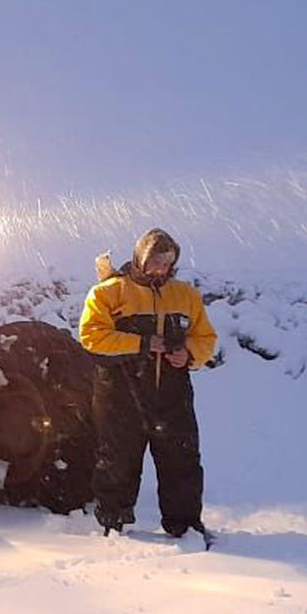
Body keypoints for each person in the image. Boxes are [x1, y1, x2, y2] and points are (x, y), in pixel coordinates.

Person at [78, 228, 217, 540]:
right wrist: (142, 343)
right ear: (140, 259)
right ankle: (112, 524)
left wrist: (189, 354)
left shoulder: (186, 296)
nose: (160, 269)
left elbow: (206, 337)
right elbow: (91, 336)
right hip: (119, 393)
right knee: (117, 460)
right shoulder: (108, 293)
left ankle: (185, 525)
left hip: (172, 394)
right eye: (154, 261)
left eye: (166, 263)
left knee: (182, 460)